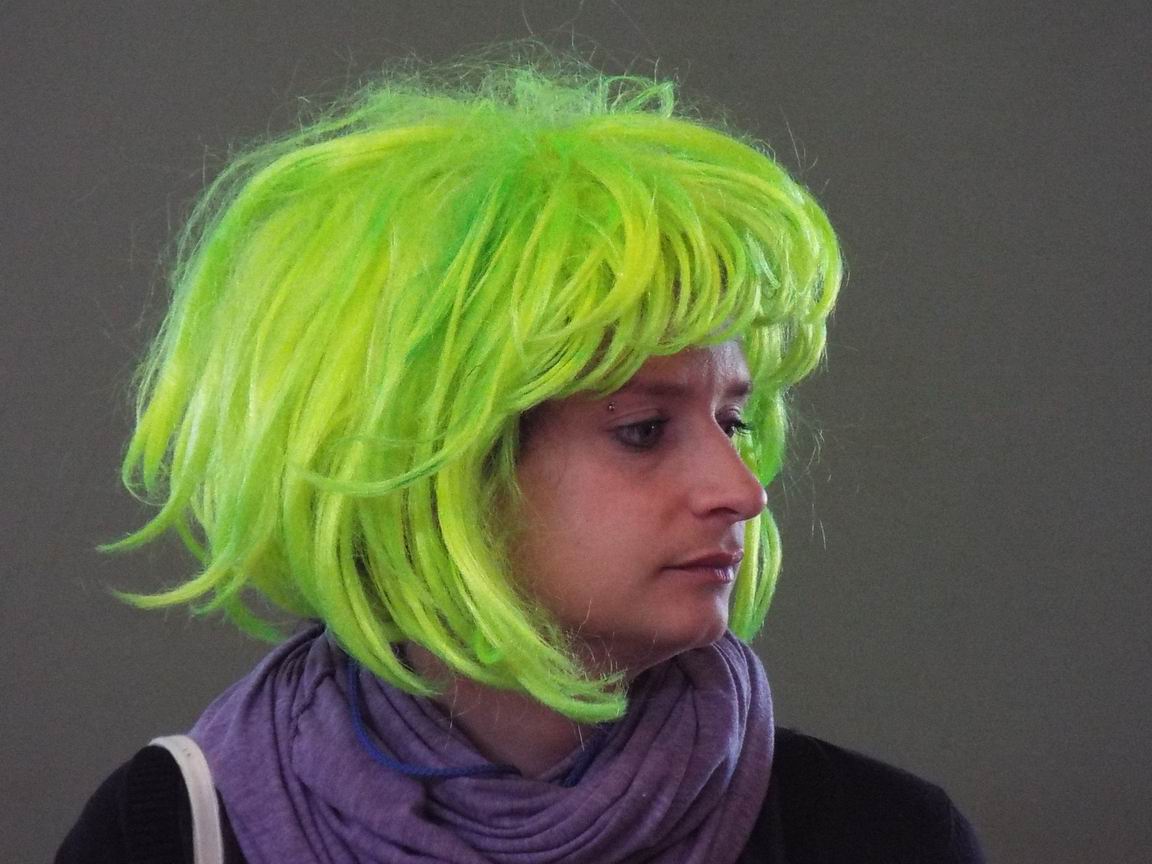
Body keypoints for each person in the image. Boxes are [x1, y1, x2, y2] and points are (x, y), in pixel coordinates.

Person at [58, 50, 984, 863]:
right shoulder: (170, 834)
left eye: (732, 422)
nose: (741, 490)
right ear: (430, 466)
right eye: (642, 429)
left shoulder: (880, 836)